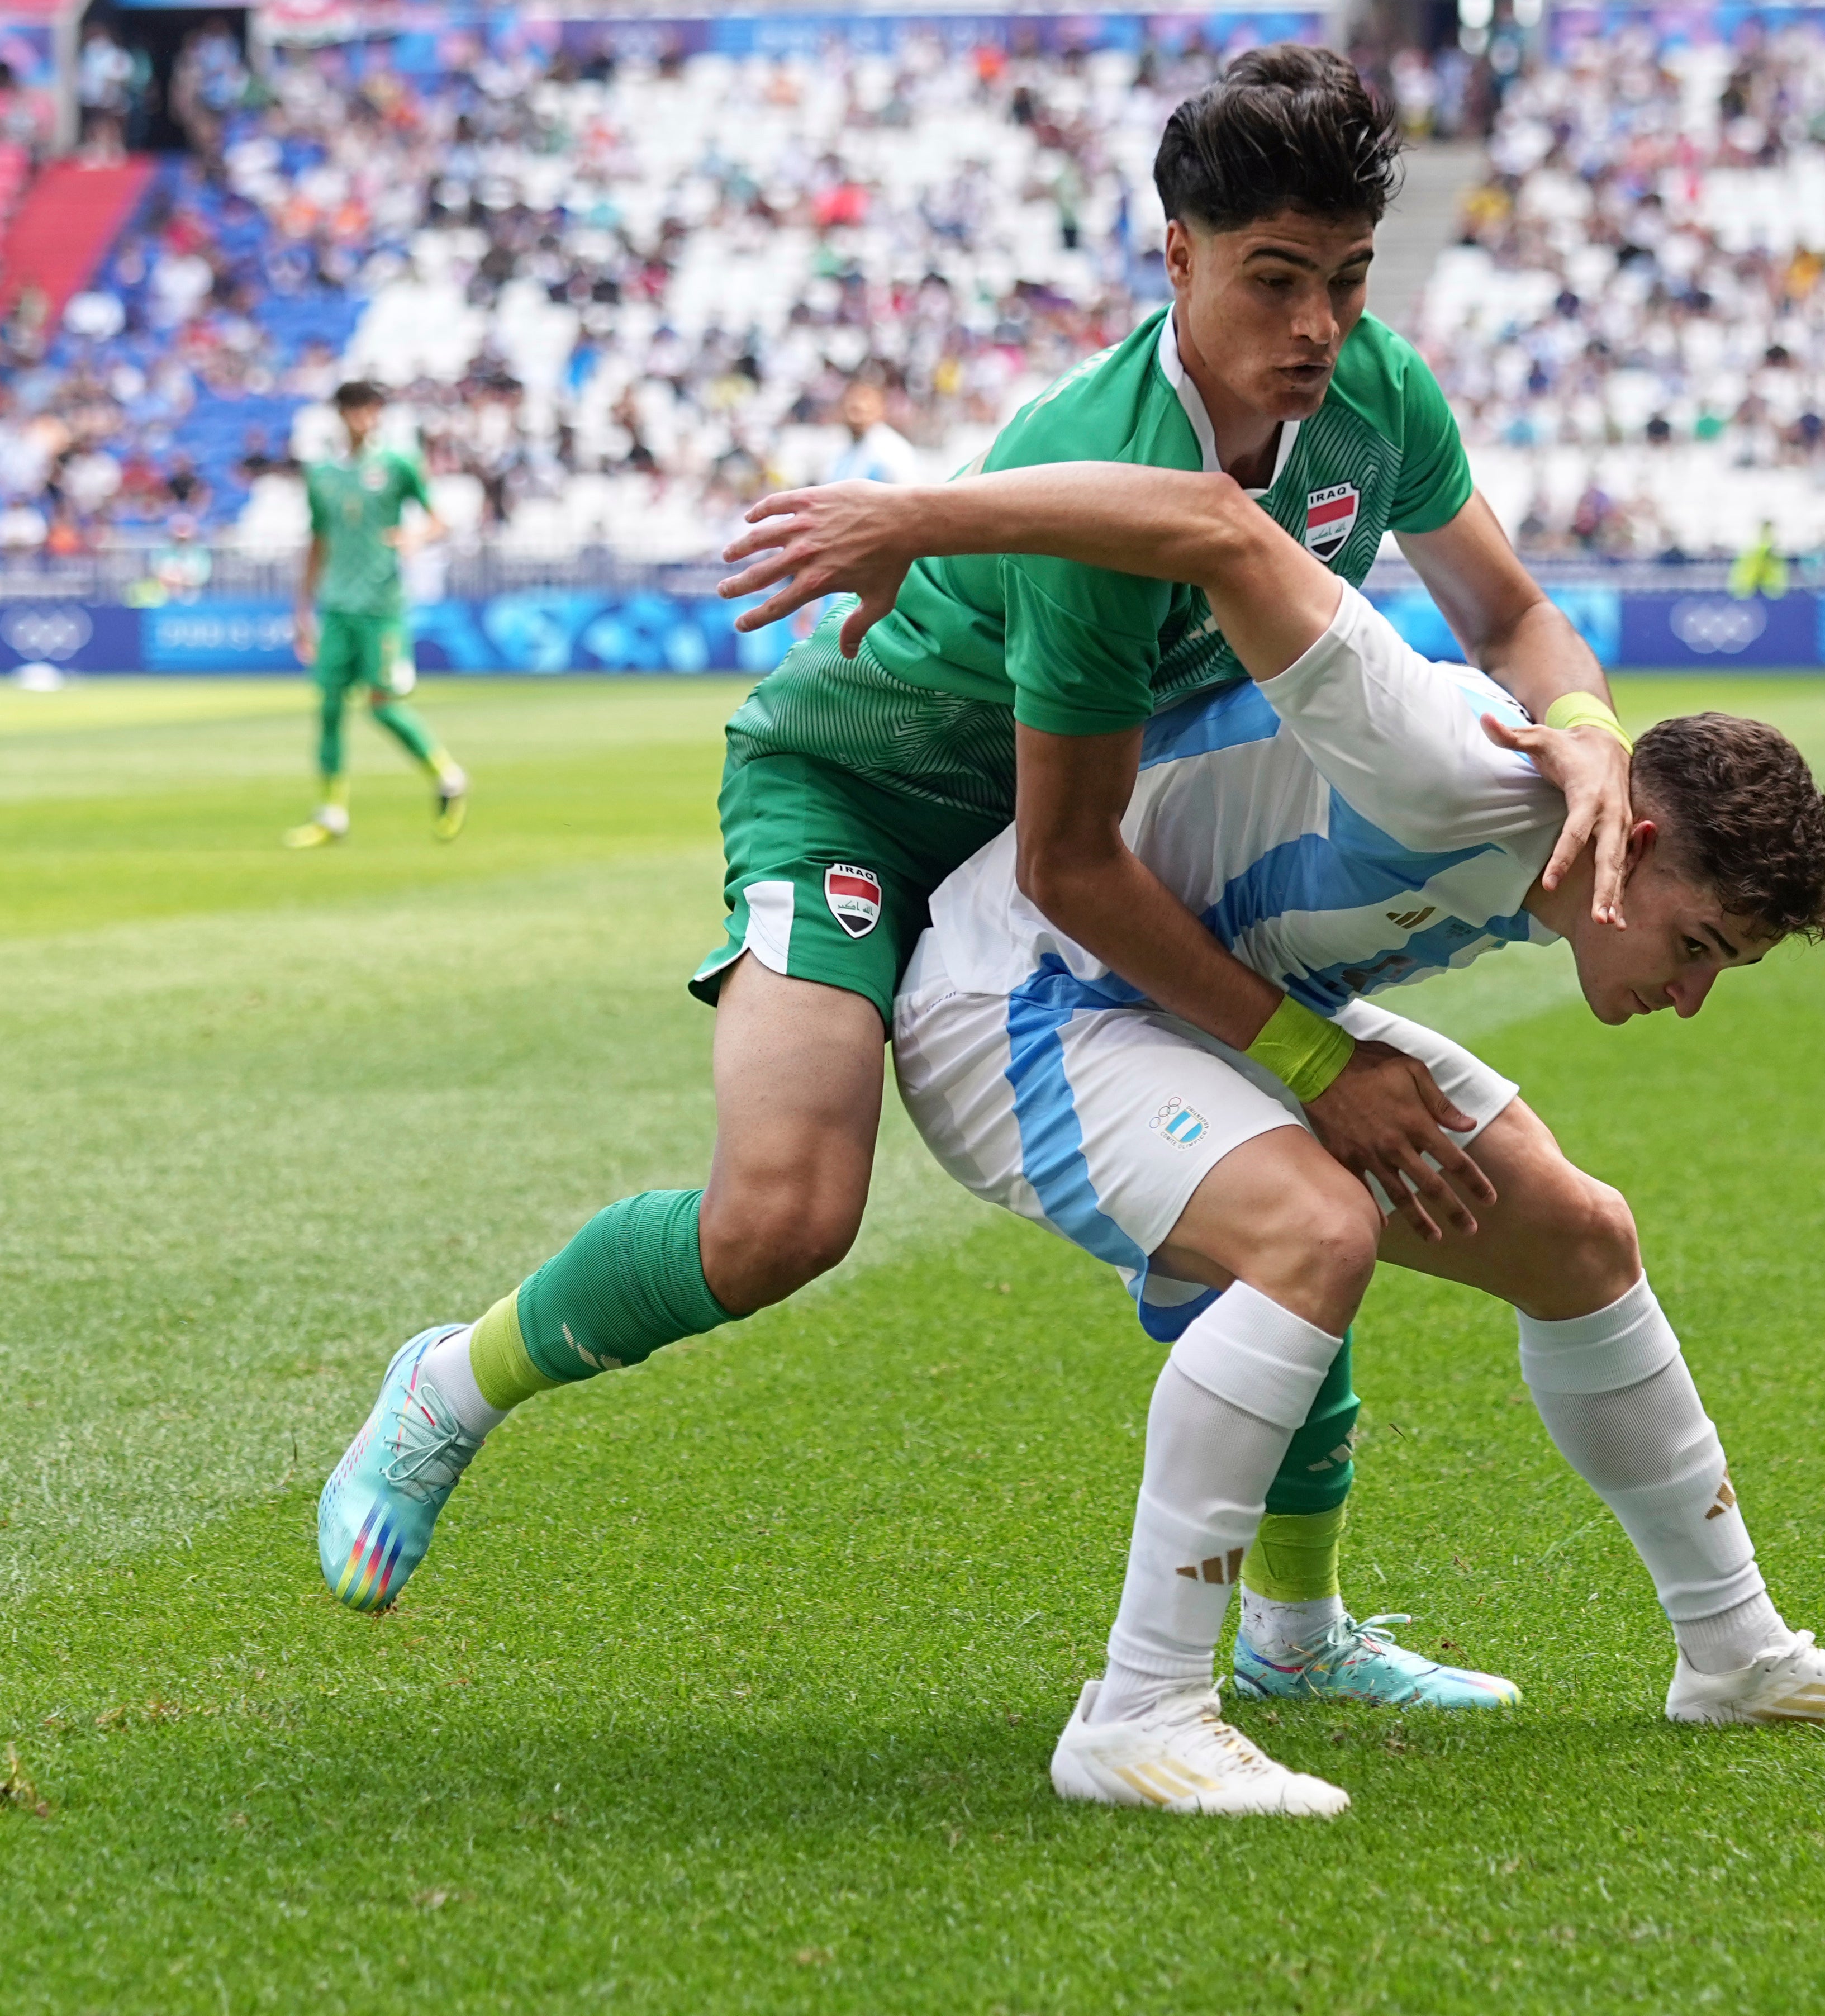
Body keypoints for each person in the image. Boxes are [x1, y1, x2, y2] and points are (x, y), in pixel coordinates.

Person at [317, 51, 1632, 1719]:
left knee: (1281, 1188)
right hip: (869, 798)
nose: (1318, 325)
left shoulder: (1378, 396)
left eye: (1350, 278)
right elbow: (1068, 861)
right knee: (782, 1216)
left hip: (1095, 815)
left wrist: (1587, 728)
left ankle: (1296, 1639)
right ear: (1177, 257)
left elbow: (1512, 612)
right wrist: (1309, 1055)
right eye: (1274, 280)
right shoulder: (1093, 471)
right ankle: (448, 1382)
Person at [868, 461, 1825, 1811]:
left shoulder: (1573, 837)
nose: (1686, 998)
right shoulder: (1435, 760)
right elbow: (1221, 528)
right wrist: (908, 514)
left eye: (1720, 971)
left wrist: (1311, 1045)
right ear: (1627, 842)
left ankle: (1735, 1655)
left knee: (1580, 1237)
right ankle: (1138, 1709)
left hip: (1194, 1002)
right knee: (1312, 1229)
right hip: (1016, 1000)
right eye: (1693, 947)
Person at [286, 381, 468, 849]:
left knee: (383, 706)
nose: (364, 418)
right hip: (337, 607)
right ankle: (332, 813)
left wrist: (416, 538)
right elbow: (318, 542)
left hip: (382, 608)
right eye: (355, 409)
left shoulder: (398, 464)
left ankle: (447, 776)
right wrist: (302, 608)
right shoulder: (322, 474)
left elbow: (439, 519)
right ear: (342, 414)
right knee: (327, 708)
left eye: (372, 409)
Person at [826, 369, 922, 487]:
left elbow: (908, 491)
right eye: (853, 397)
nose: (859, 404)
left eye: (866, 397)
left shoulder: (894, 451)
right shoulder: (832, 441)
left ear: (882, 407)